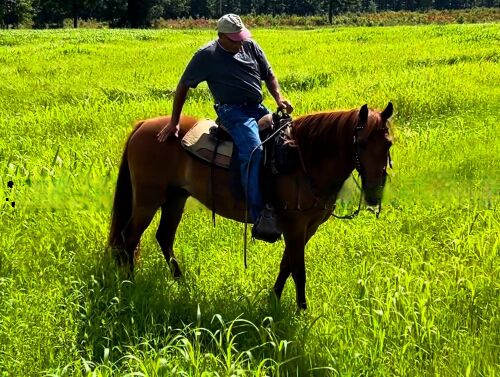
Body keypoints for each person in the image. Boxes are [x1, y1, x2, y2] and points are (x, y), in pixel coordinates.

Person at [157, 13, 293, 242]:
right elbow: (183, 86)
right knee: (253, 151)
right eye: (234, 39)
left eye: (241, 37)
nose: (240, 42)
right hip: (233, 112)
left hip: (258, 107)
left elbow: (269, 75)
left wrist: (278, 99)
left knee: (286, 140)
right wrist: (174, 121)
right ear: (221, 36)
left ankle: (283, 196)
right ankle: (259, 213)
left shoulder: (250, 45)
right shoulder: (207, 55)